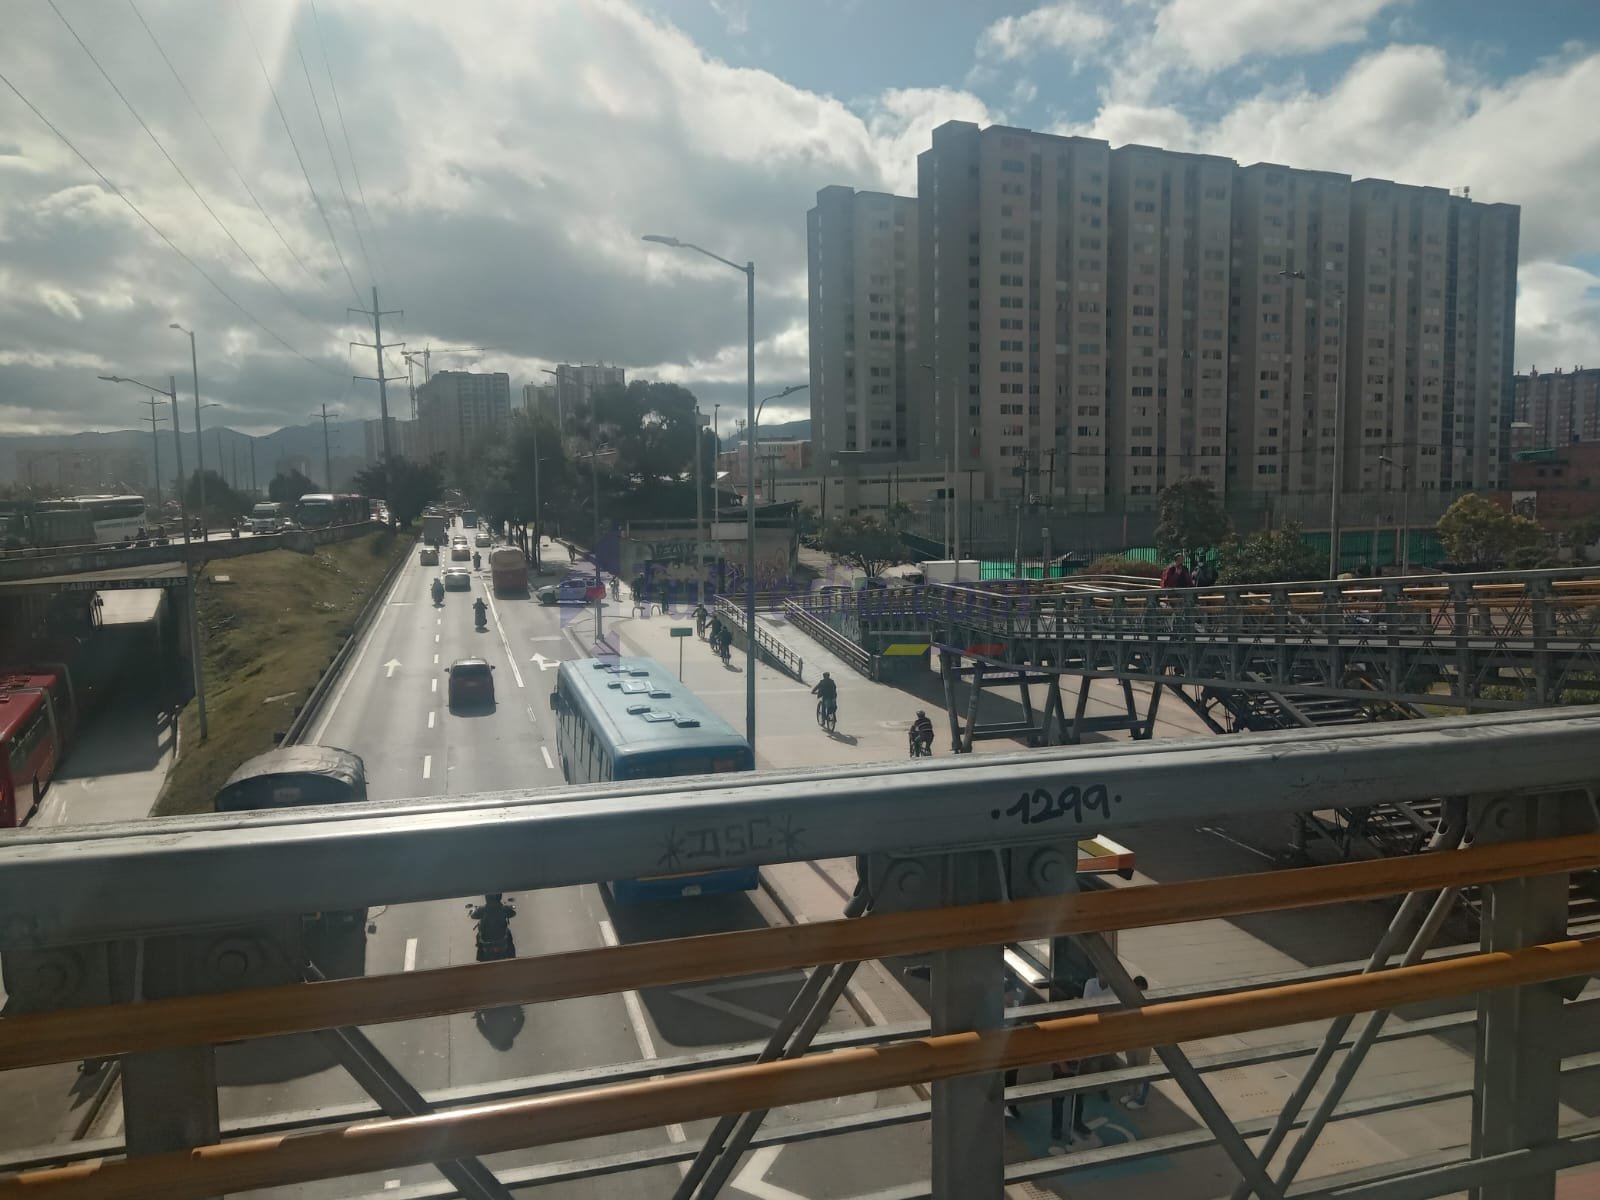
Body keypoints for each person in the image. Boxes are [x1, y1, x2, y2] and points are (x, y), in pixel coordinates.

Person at [1121, 974, 1153, 1109]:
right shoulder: (1128, 1000)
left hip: (1143, 1041)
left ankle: (1141, 1099)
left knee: (1143, 1069)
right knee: (1131, 1066)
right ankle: (1132, 1093)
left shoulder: (1147, 1002)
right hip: (1131, 1038)